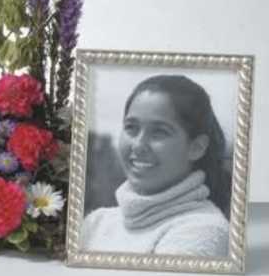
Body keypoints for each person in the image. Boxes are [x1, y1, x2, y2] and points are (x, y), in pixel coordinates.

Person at [81, 74, 230, 257]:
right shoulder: (96, 222)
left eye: (159, 132)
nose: (138, 145)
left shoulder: (205, 230)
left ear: (197, 147)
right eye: (131, 128)